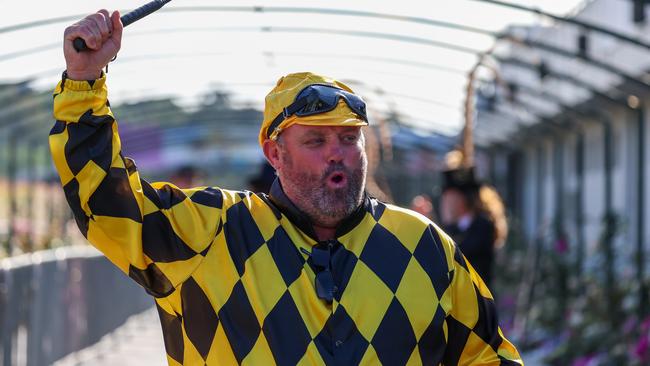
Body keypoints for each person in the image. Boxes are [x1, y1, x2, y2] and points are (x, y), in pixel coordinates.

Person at [50, 10, 522, 365]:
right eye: (315, 140)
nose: (337, 152)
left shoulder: (425, 248)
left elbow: (489, 358)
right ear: (274, 154)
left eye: (348, 138)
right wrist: (84, 83)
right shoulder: (209, 233)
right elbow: (105, 204)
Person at [440, 167, 506, 287]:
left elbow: (457, 255)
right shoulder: (452, 228)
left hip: (478, 301)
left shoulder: (483, 226)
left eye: (449, 197)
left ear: (461, 199)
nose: (445, 202)